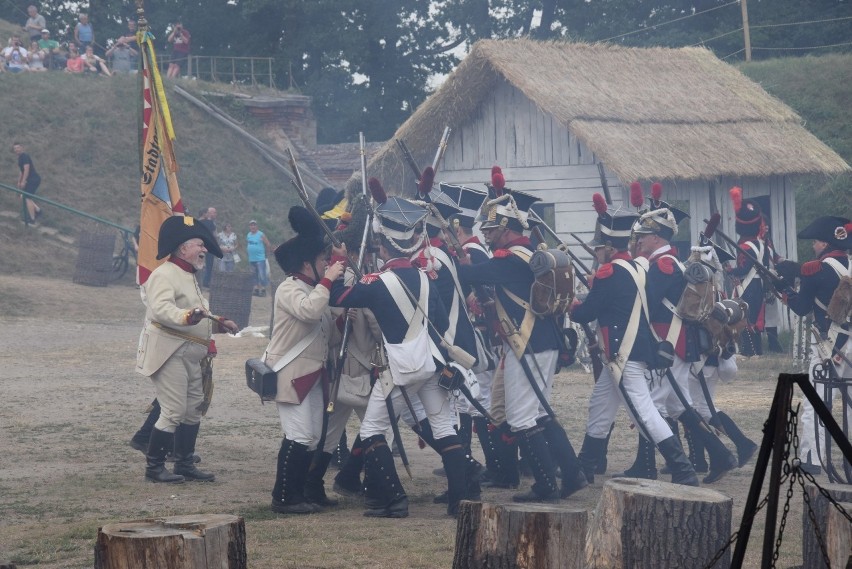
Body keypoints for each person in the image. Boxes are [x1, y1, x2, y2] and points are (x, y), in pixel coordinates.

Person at [330, 193, 476, 518]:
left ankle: (394, 500)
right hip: (427, 364)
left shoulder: (377, 282)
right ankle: (460, 501)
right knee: (443, 428)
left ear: (383, 247)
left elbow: (337, 296)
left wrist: (337, 266)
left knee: (370, 432)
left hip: (398, 369)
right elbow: (437, 322)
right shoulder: (426, 278)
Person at [456, 177, 586, 502]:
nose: (486, 235)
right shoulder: (528, 254)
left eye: (490, 229)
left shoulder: (508, 259)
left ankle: (545, 485)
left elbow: (469, 276)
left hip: (527, 343)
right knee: (540, 412)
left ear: (505, 227)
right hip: (542, 343)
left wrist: (454, 259)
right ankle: (572, 474)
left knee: (520, 417)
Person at [573, 194, 699, 487]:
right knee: (600, 407)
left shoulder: (611, 272)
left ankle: (683, 470)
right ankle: (585, 466)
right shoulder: (640, 267)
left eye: (598, 249)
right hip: (625, 350)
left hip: (623, 351)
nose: (596, 253)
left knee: (645, 411)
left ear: (607, 247)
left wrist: (571, 303)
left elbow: (587, 313)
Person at [631, 195, 738, 484]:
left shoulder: (663, 264)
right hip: (676, 342)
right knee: (678, 407)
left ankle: (672, 468)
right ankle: (720, 455)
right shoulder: (669, 262)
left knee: (649, 406)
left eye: (643, 236)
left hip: (670, 342)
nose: (639, 241)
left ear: (655, 237)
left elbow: (648, 303)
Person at [135, 215, 238, 483]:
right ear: (183, 248)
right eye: (199, 245)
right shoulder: (164, 274)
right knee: (173, 409)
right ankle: (154, 468)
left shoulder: (188, 275)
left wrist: (218, 325)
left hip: (190, 354)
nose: (204, 249)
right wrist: (187, 317)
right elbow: (162, 310)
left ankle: (184, 464)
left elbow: (198, 315)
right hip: (169, 352)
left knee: (193, 407)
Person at [266, 207, 345, 514]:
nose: (327, 263)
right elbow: (310, 312)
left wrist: (342, 321)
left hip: (312, 374)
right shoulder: (290, 288)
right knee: (299, 436)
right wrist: (328, 280)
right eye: (323, 259)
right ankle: (284, 497)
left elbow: (327, 336)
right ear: (306, 261)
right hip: (291, 372)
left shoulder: (314, 290)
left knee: (311, 438)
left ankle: (298, 493)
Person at [783, 216, 852, 475]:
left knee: (817, 403)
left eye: (816, 242)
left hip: (830, 344)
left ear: (825, 243)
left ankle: (812, 458)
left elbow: (801, 308)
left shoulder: (815, 269)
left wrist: (786, 291)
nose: (813, 246)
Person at [726, 187, 771, 358]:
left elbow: (744, 269)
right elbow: (764, 265)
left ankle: (749, 351)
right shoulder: (761, 244)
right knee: (753, 318)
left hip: (749, 284)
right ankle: (757, 350)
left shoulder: (745, 246)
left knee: (744, 316)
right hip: (757, 284)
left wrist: (731, 270)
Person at [13, 143, 41, 224]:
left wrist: (23, 181)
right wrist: (19, 181)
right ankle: (38, 210)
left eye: (18, 147)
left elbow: (26, 169)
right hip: (31, 179)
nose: (16, 149)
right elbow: (21, 171)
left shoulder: (24, 156)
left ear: (22, 148)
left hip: (33, 179)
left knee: (27, 198)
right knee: (23, 196)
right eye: (15, 148)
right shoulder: (20, 158)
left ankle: (32, 219)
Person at [247, 220, 272, 296]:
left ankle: (263, 290)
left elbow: (267, 244)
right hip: (252, 258)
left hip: (260, 258)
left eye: (254, 225)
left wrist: (267, 253)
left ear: (256, 226)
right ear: (249, 227)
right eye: (251, 225)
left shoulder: (261, 234)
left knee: (262, 274)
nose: (253, 227)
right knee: (254, 274)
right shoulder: (248, 235)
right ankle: (256, 289)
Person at [198, 207, 216, 287]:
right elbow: (214, 235)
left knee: (198, 262)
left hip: (199, 245)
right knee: (209, 264)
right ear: (204, 214)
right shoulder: (210, 223)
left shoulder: (196, 222)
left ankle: (197, 280)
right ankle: (206, 282)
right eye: (207, 213)